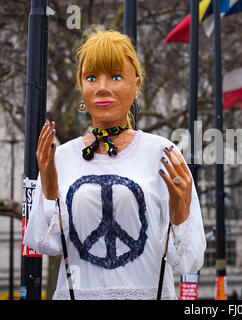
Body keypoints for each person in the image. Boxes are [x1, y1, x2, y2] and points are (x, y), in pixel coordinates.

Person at [23, 29, 206, 300]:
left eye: (116, 76)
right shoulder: (62, 157)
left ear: (136, 85)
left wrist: (179, 214)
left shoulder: (162, 153)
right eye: (91, 77)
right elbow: (43, 242)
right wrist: (49, 187)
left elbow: (189, 261)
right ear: (81, 88)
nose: (102, 87)